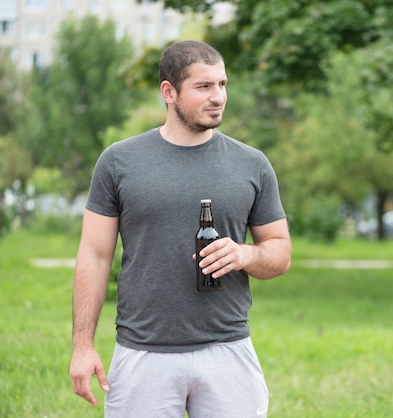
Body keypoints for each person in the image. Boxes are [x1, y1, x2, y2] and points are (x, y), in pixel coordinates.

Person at [69, 40, 292, 418]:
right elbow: (95, 253)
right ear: (168, 92)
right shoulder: (119, 162)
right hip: (143, 352)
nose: (218, 96)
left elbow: (280, 251)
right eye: (204, 87)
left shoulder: (252, 164)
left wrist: (245, 254)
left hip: (228, 350)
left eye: (222, 85)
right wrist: (82, 345)